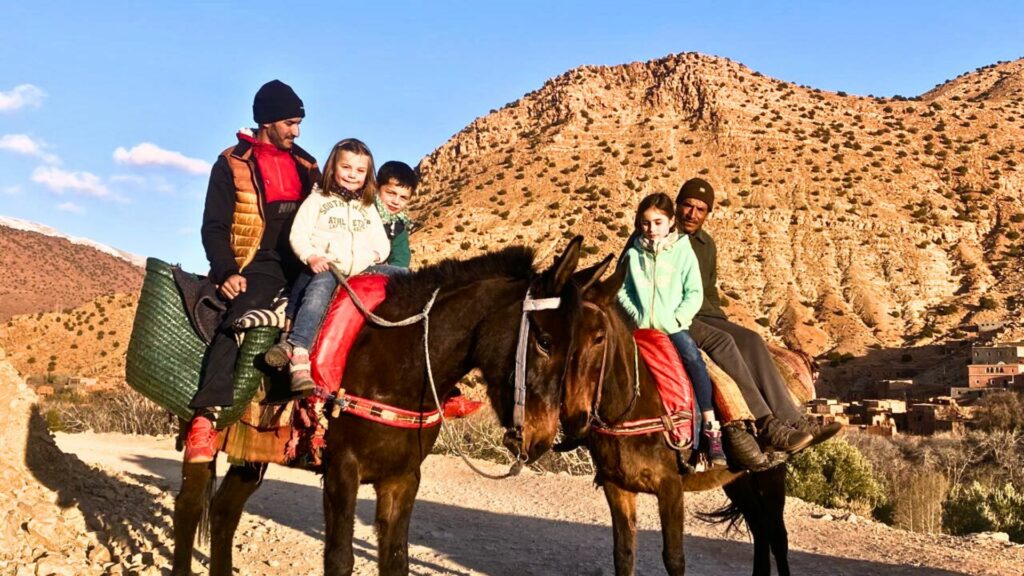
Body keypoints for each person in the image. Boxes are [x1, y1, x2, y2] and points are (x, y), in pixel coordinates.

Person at [186, 80, 321, 463]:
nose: (296, 132)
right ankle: (205, 419)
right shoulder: (231, 162)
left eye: (299, 124)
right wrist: (227, 271)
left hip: (303, 261)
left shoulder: (307, 164)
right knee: (236, 320)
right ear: (267, 121)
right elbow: (213, 226)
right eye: (290, 123)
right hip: (254, 264)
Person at [674, 178, 842, 459]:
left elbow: (709, 292)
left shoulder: (706, 244)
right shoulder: (662, 236)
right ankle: (766, 425)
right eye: (687, 206)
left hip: (704, 313)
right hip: (677, 314)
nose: (692, 214)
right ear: (677, 206)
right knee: (724, 342)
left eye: (700, 209)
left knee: (751, 339)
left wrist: (722, 319)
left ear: (708, 213)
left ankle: (794, 419)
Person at [618, 193, 728, 468]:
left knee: (693, 360)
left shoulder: (682, 250)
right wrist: (636, 315)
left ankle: (710, 427)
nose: (651, 229)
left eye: (658, 222)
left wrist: (676, 320)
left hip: (674, 328)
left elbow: (694, 292)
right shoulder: (633, 254)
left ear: (670, 222)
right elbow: (622, 289)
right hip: (641, 329)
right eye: (645, 223)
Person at [278, 138, 391, 393]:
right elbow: (298, 234)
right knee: (316, 297)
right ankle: (299, 354)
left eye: (360, 170)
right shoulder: (318, 200)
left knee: (407, 279)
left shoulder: (367, 207)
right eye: (346, 167)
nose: (352, 175)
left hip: (362, 267)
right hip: (329, 267)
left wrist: (373, 255)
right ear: (333, 168)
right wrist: (311, 256)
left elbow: (382, 243)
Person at [368, 160, 417, 275]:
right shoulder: (363, 209)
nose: (396, 201)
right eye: (391, 193)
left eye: (403, 197)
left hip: (375, 271)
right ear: (377, 187)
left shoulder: (398, 225)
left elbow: (400, 256)